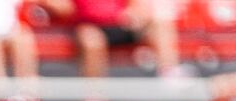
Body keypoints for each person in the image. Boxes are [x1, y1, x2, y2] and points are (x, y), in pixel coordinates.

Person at [38, 0, 180, 78]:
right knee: (90, 39)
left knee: (158, 24)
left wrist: (135, 14)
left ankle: (169, 72)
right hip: (91, 27)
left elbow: (138, 6)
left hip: (122, 24)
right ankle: (95, 96)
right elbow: (61, 7)